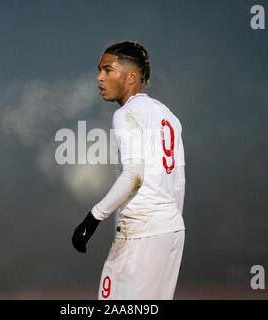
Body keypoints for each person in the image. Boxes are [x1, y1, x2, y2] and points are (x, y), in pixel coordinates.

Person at [71, 40, 186, 300]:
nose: (99, 78)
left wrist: (92, 219)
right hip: (171, 230)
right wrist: (171, 231)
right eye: (99, 70)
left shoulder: (126, 114)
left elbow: (134, 175)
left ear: (132, 76)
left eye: (108, 70)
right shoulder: (168, 116)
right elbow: (178, 182)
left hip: (140, 232)